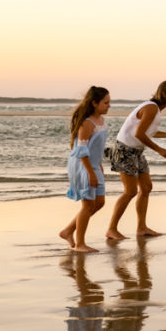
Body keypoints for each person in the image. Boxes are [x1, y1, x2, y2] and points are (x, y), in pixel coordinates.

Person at [107, 81, 166, 239]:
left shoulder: (155, 110)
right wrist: (159, 149)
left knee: (146, 188)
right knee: (130, 191)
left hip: (137, 151)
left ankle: (141, 228)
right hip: (124, 150)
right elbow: (139, 134)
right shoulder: (151, 108)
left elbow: (146, 132)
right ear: (164, 94)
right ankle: (111, 229)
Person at [60, 86, 111, 253]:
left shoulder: (101, 121)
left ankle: (68, 231)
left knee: (99, 203)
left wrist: (99, 167)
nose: (109, 105)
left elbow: (96, 148)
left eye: (109, 102)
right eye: (105, 103)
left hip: (94, 165)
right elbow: (82, 151)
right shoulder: (87, 123)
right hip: (83, 166)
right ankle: (80, 244)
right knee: (88, 205)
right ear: (95, 103)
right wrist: (90, 173)